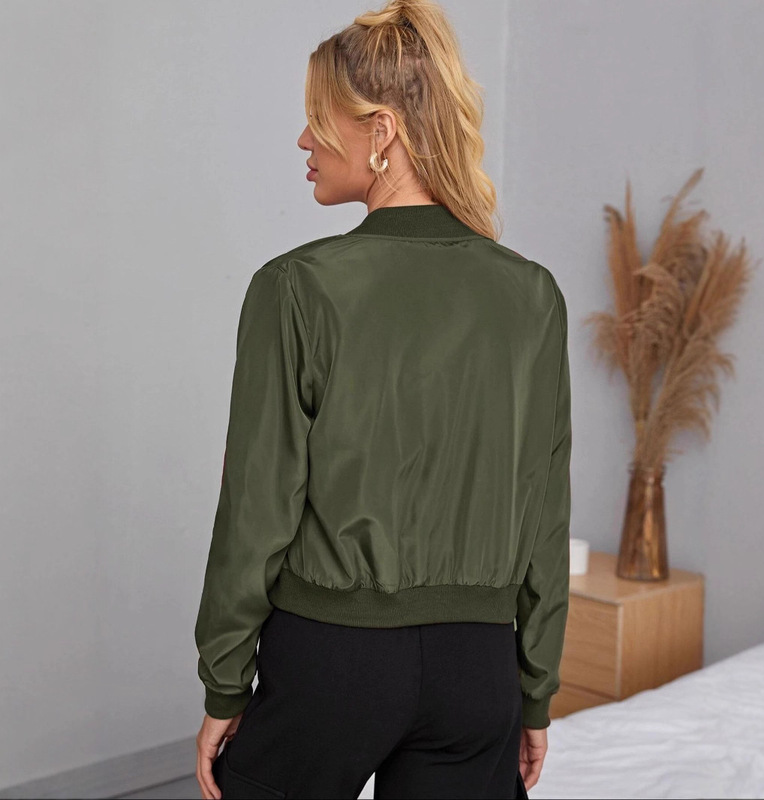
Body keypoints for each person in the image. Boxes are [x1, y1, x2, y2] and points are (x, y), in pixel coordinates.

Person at [194, 1, 571, 798]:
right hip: (477, 671)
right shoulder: (532, 295)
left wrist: (225, 684)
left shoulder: (295, 289)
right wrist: (533, 691)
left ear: (382, 130)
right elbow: (544, 512)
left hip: (332, 661)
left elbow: (256, 508)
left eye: (317, 118)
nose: (303, 141)